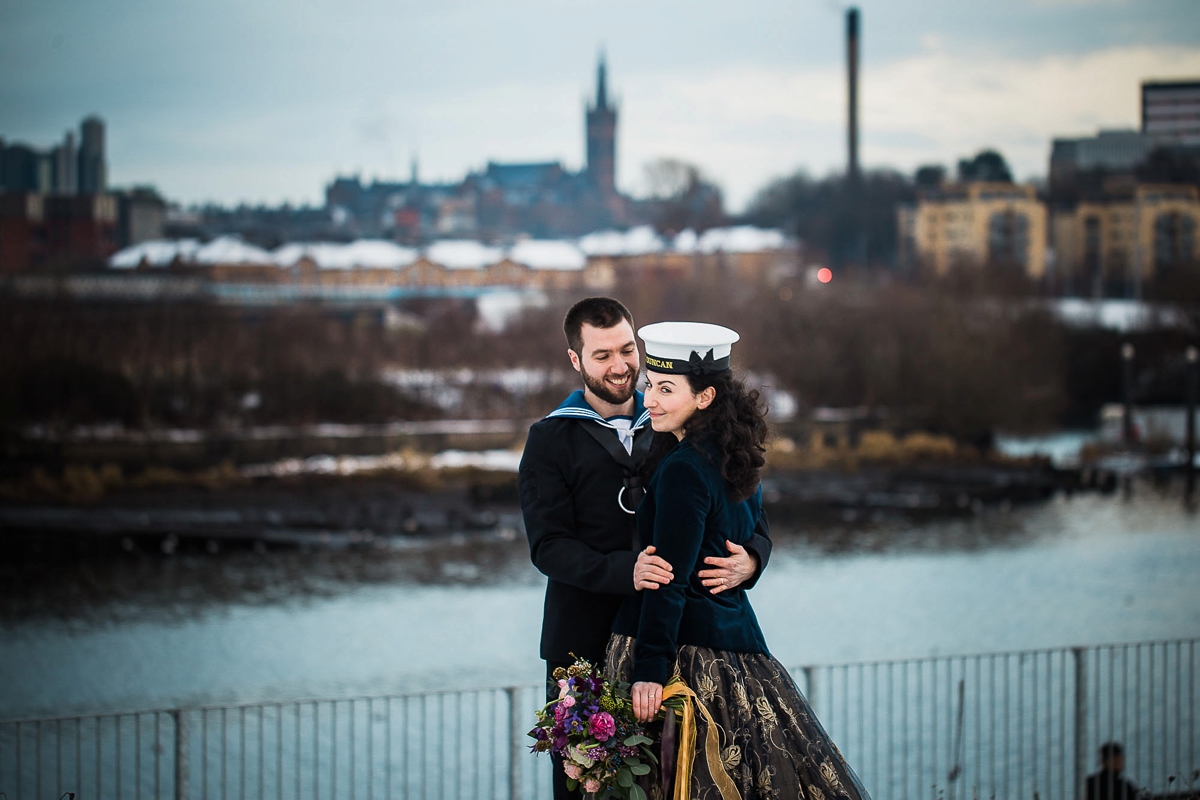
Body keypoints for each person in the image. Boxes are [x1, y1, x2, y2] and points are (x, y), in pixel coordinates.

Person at [520, 298, 774, 800]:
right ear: (576, 361)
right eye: (601, 355)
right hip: (583, 646)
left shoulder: (674, 416)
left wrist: (753, 559)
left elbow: (748, 509)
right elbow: (547, 546)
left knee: (672, 785)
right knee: (589, 791)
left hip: (671, 644)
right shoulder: (549, 439)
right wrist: (627, 572)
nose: (620, 366)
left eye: (626, 349)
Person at [607, 321, 870, 800]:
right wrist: (753, 557)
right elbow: (757, 525)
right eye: (650, 385)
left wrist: (649, 668)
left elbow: (670, 579)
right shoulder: (728, 453)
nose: (649, 400)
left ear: (704, 397)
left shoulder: (686, 467)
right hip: (740, 649)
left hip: (687, 655)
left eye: (666, 390)